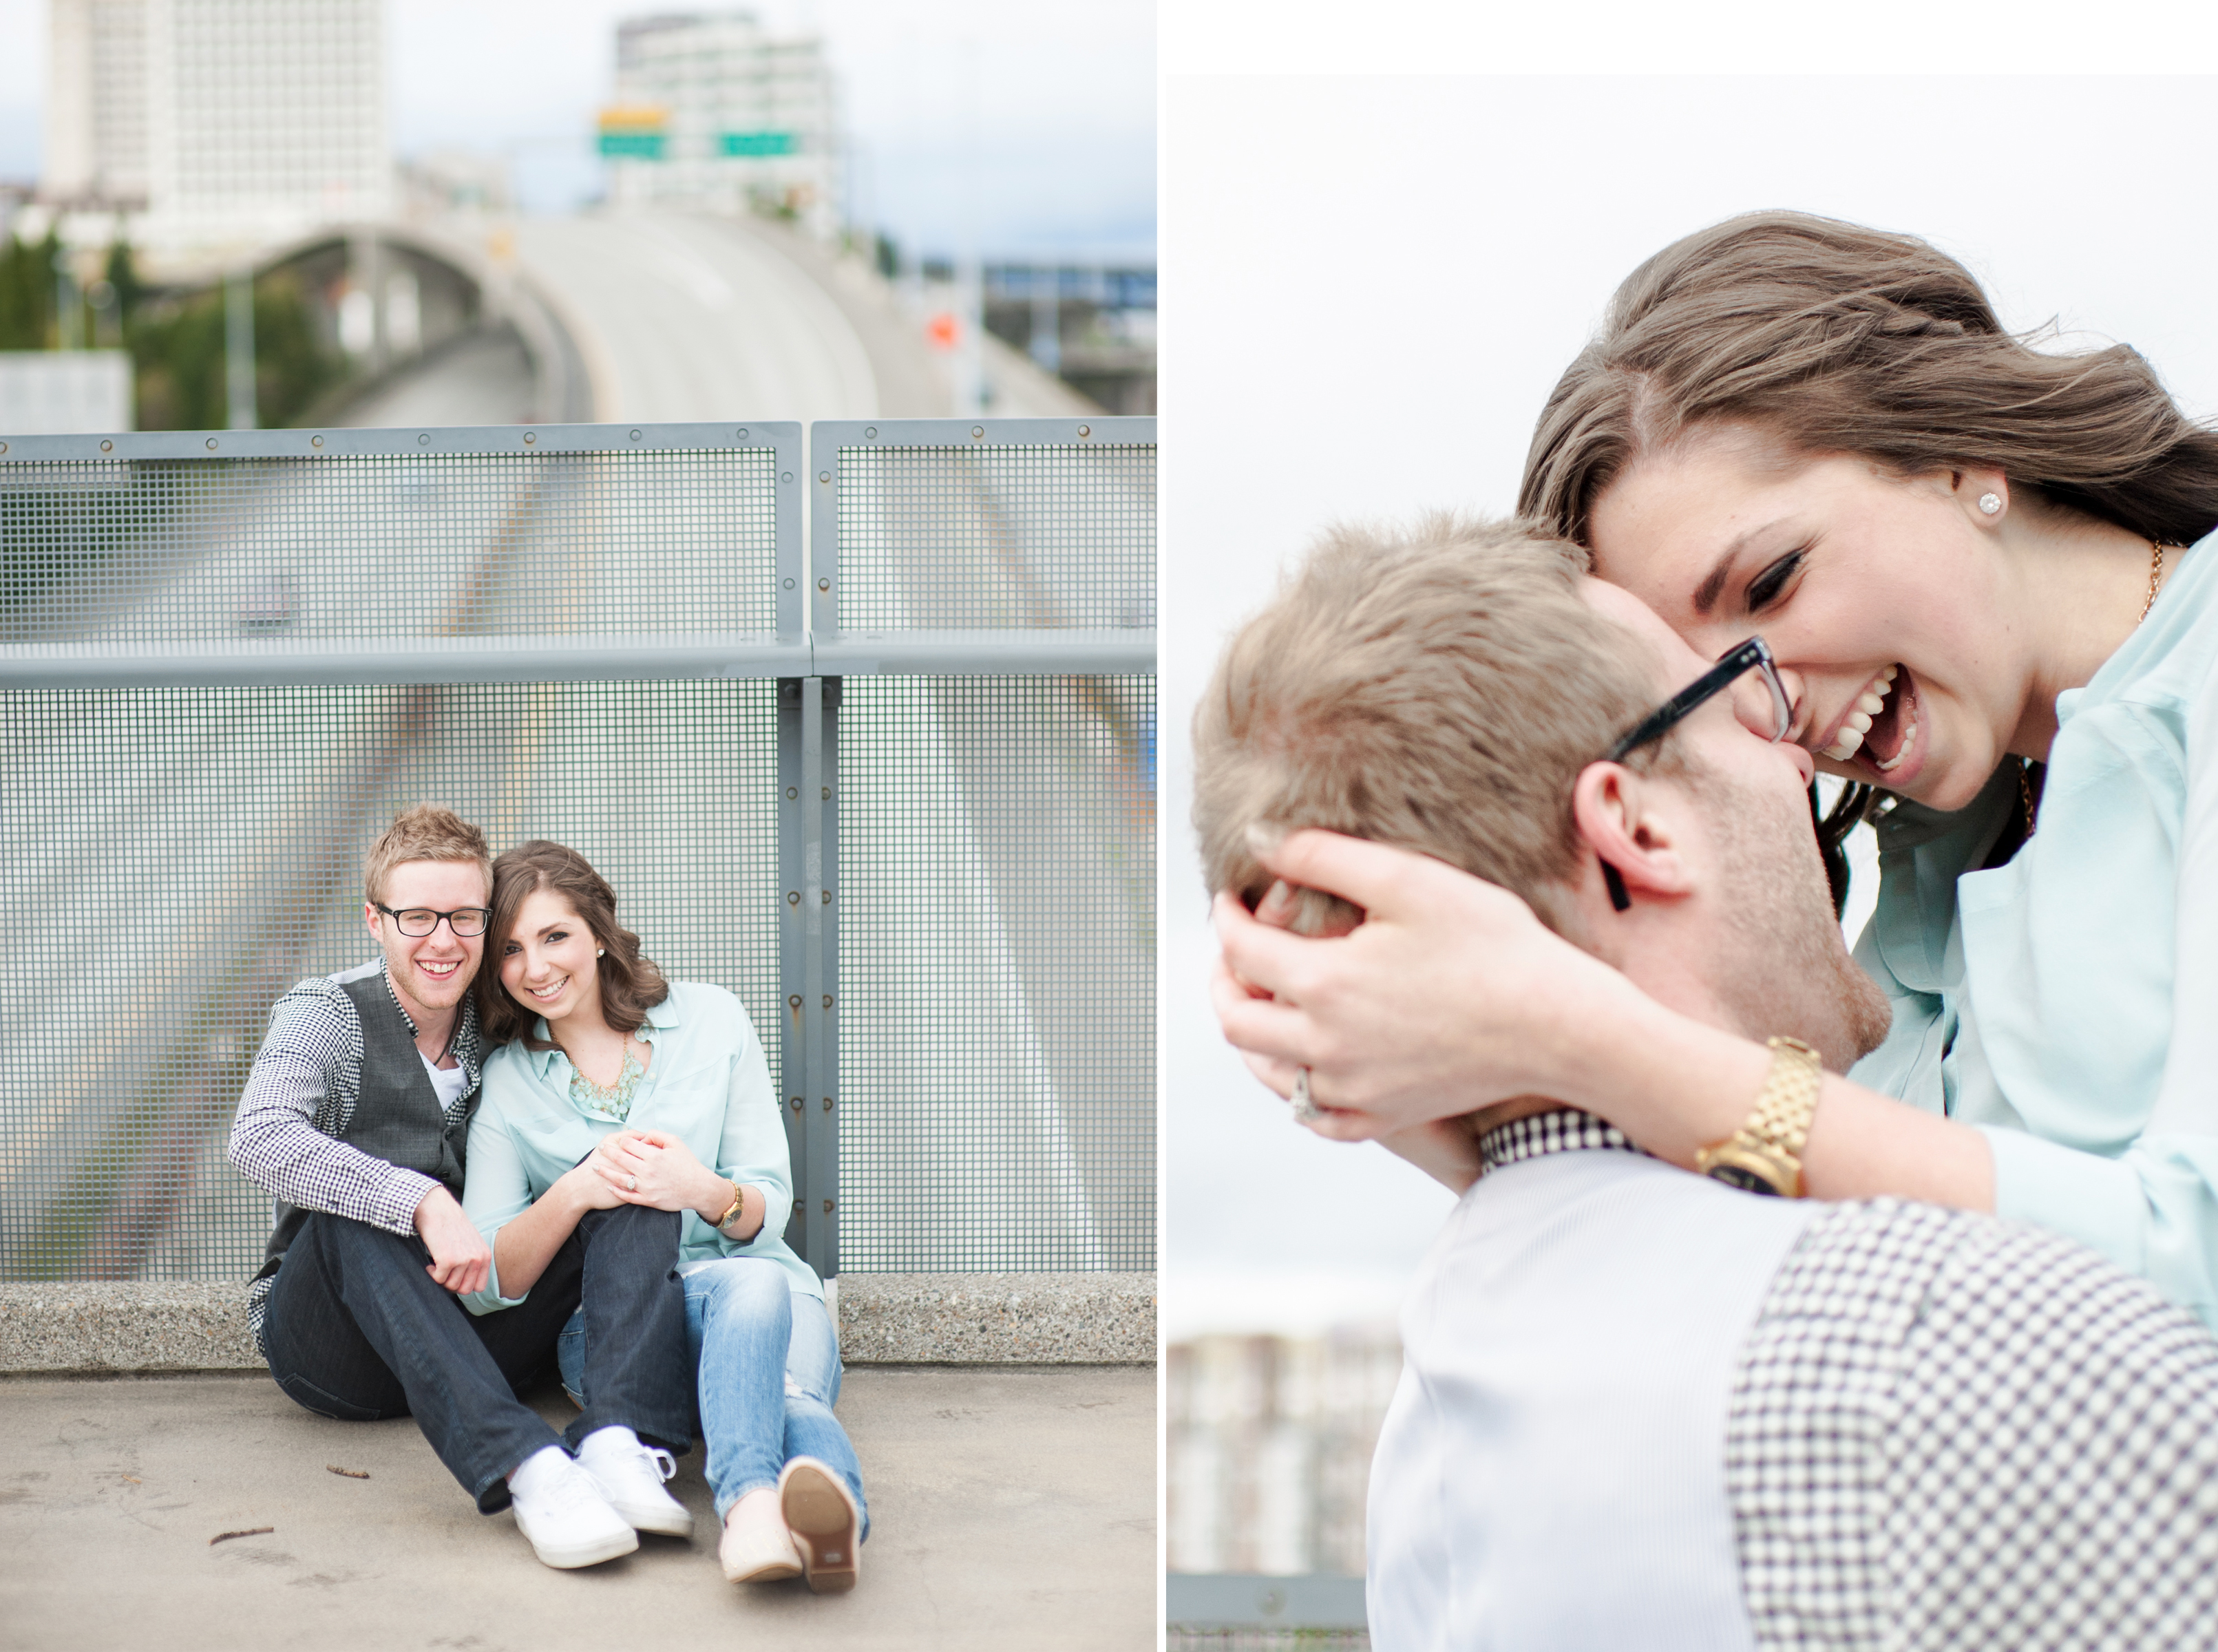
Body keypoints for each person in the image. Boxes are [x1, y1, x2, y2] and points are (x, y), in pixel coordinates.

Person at [1194, 516, 2218, 1647]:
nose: (1804, 753)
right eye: (1734, 697)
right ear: (1631, 826)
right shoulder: (1937, 1339)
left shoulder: (1430, 1430)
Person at [1210, 211, 2218, 1322]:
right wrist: (1430, 1101)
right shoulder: (1942, 849)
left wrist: (1582, 1040)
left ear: (1954, 456)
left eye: (1772, 581)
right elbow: (1823, 1256)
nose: (1774, 708)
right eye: (1710, 677)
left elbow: (2185, 1271)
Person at [227, 804, 699, 1570]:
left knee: (617, 1174)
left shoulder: (498, 1015)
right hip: (332, 1342)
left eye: (464, 918)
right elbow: (259, 1136)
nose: (443, 941)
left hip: (467, 1323)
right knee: (351, 1215)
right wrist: (417, 1198)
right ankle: (532, 1468)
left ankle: (621, 1439)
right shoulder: (328, 1015)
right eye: (417, 917)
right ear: (375, 922)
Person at [461, 838, 868, 1594]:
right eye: (511, 950)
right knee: (779, 1382)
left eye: (556, 937)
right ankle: (781, 1505)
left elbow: (768, 1208)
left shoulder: (710, 1019)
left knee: (761, 1306)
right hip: (618, 1328)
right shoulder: (508, 1086)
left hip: (763, 1285)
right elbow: (488, 1279)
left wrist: (701, 1189)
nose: (536, 968)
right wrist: (575, 1191)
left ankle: (755, 1508)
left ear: (599, 933)